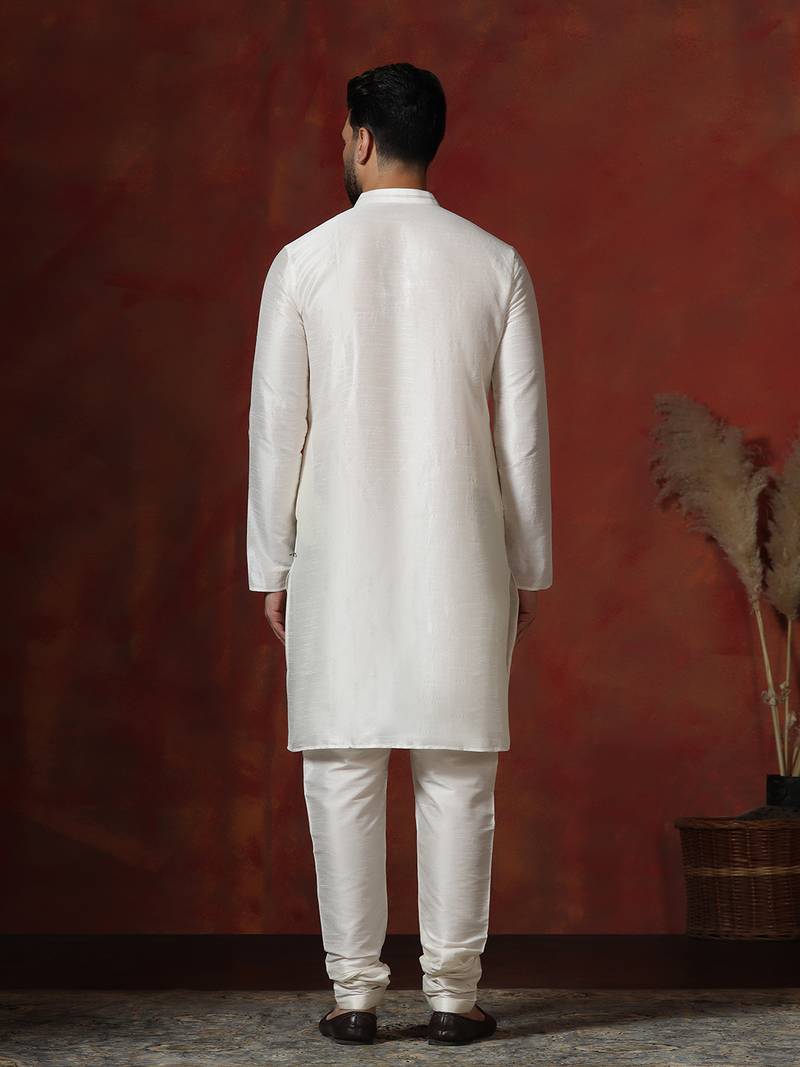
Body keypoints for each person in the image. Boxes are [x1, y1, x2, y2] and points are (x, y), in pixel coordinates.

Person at [246, 61, 552, 1047]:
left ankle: (355, 996)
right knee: (459, 772)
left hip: (335, 554)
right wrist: (527, 566)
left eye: (344, 135)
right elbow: (521, 439)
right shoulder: (494, 262)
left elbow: (276, 430)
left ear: (362, 138)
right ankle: (454, 997)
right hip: (462, 552)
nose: (342, 146)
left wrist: (270, 564)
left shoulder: (302, 261)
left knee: (339, 766)